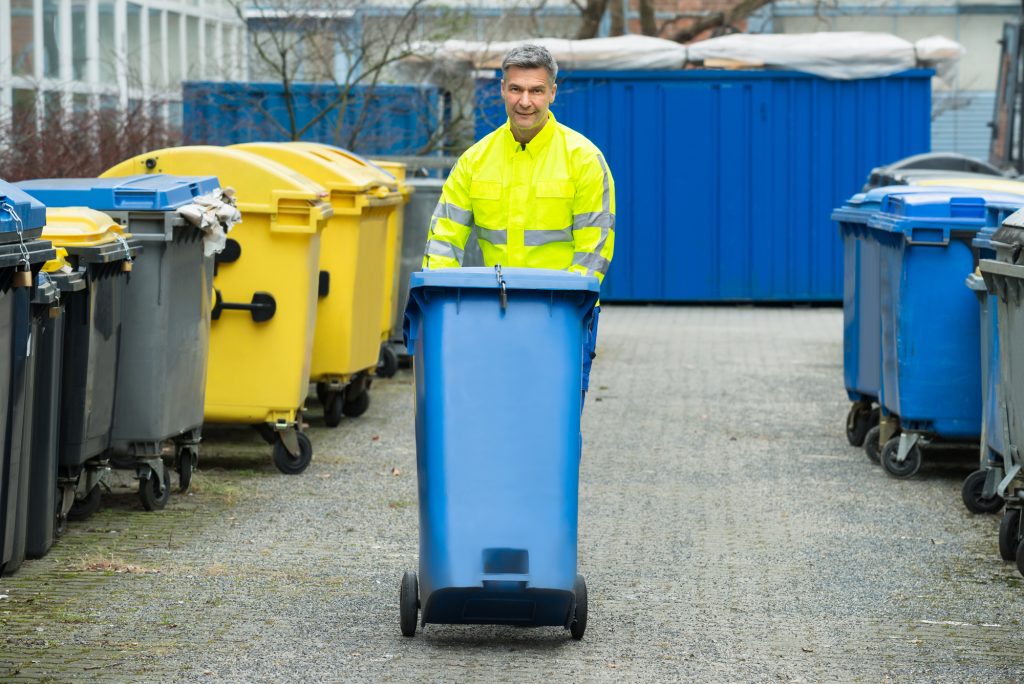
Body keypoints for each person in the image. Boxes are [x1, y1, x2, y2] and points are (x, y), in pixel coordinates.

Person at [422, 44, 615, 405]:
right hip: (490, 314)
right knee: (492, 416)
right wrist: (442, 307)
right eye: (516, 89)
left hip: (563, 315)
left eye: (536, 90)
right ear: (502, 89)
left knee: (552, 420)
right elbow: (443, 242)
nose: (525, 101)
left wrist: (564, 310)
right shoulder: (475, 161)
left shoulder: (584, 160)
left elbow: (595, 249)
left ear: (552, 93)